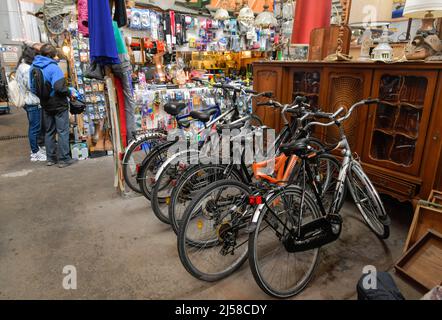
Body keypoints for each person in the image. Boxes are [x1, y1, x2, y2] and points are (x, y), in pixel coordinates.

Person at [31, 44, 75, 168]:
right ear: (51, 55)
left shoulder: (33, 67)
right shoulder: (53, 68)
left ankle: (50, 158)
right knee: (62, 131)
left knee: (49, 131)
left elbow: (32, 87)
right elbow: (59, 88)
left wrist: (42, 97)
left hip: (45, 103)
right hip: (58, 103)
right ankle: (63, 159)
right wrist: (70, 92)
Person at [15, 45, 47, 162]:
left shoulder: (20, 67)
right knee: (35, 128)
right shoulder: (26, 69)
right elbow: (31, 86)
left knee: (35, 126)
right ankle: (35, 152)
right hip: (32, 101)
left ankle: (37, 149)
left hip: (28, 100)